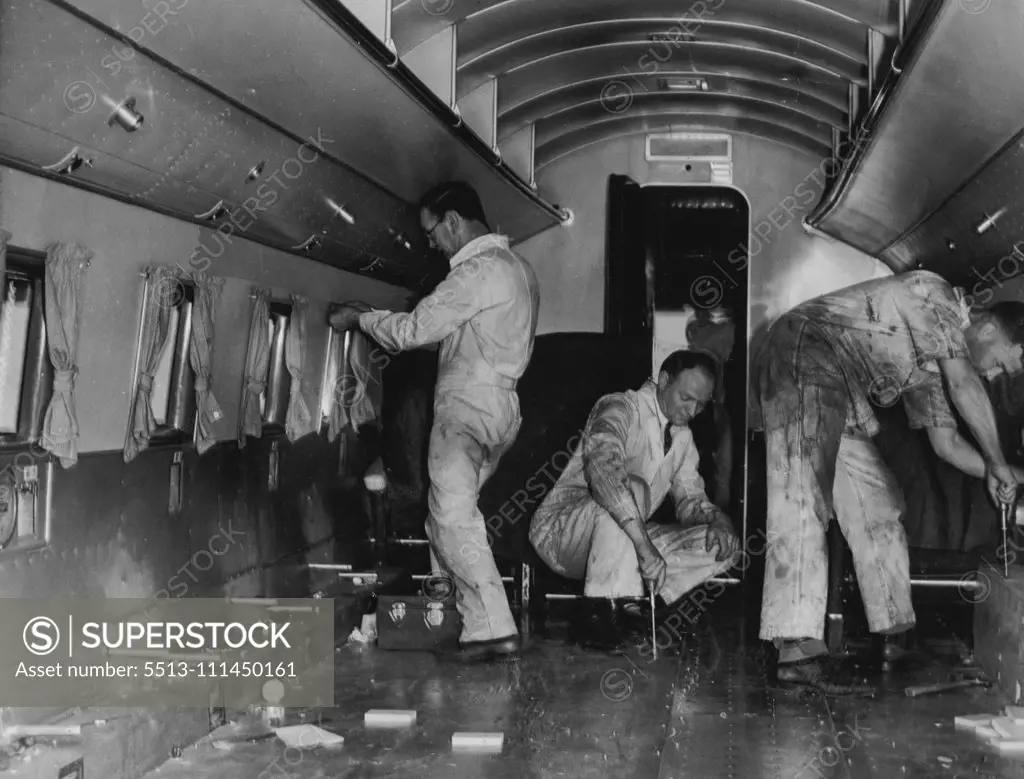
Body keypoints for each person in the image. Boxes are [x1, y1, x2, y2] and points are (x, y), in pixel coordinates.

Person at [754, 270, 1024, 692]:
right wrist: (997, 460)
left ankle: (894, 636)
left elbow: (947, 443)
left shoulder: (934, 363)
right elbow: (965, 384)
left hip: (841, 393)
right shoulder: (933, 294)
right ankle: (796, 649)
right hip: (801, 356)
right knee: (803, 497)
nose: (993, 375)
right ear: (988, 328)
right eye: (1002, 363)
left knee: (879, 505)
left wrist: (1005, 473)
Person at [329, 181, 540, 663]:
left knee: (451, 519)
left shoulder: (476, 272)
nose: (432, 245)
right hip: (502, 410)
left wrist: (361, 319)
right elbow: (445, 336)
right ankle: (465, 621)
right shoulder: (519, 269)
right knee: (446, 519)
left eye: (432, 233)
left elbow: (411, 332)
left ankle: (493, 629)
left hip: (465, 412)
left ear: (453, 222)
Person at [528, 350, 740, 649]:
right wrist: (643, 546)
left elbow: (690, 499)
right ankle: (602, 610)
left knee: (723, 546)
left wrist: (719, 521)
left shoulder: (683, 438)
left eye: (701, 404)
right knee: (634, 489)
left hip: (625, 542)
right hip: (563, 533)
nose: (692, 411)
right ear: (664, 380)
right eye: (686, 398)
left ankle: (636, 599)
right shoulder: (619, 406)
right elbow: (606, 475)